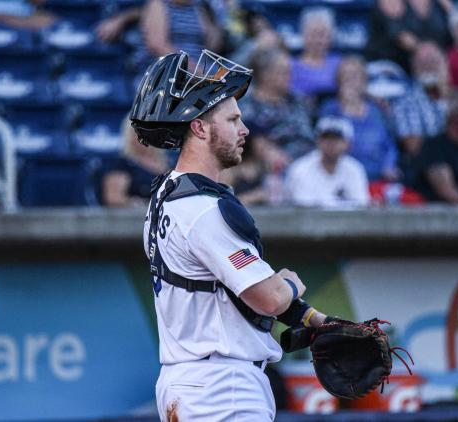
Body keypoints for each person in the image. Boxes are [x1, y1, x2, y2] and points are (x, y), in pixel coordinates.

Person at [130, 49, 332, 421]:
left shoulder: (167, 193)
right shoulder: (204, 209)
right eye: (233, 119)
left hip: (191, 382)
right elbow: (268, 298)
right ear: (200, 127)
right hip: (223, 388)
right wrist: (290, 282)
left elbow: (228, 290)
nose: (245, 131)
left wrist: (316, 321)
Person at [319, 55, 400, 182]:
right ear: (339, 82)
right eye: (346, 76)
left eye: (355, 76)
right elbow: (328, 140)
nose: (350, 80)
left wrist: (388, 166)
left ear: (364, 81)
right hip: (341, 175)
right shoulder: (330, 109)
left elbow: (389, 144)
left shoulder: (377, 110)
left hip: (379, 175)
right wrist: (346, 109)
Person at [392, 42, 449, 182]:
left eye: (433, 61)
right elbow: (414, 147)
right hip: (429, 166)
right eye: (423, 63)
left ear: (445, 63)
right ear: (414, 67)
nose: (429, 67)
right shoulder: (406, 102)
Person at [284, 116, 370, 208]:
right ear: (318, 141)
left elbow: (361, 207)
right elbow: (304, 209)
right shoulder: (300, 169)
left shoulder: (355, 169)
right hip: (309, 221)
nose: (331, 143)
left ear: (347, 144)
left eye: (336, 139)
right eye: (326, 138)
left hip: (347, 221)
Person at [365, 0, 453, 74]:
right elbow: (401, 37)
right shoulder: (390, 2)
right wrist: (426, 50)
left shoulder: (443, 3)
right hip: (391, 67)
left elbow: (455, 29)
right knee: (425, 56)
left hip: (436, 61)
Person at [100, 116, 169, 207]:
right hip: (137, 218)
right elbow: (113, 198)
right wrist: (139, 204)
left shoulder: (169, 162)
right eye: (136, 132)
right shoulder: (122, 164)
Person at [289, 7, 342, 100]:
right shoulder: (290, 66)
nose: (318, 40)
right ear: (303, 36)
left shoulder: (340, 64)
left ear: (331, 37)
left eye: (322, 34)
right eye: (313, 34)